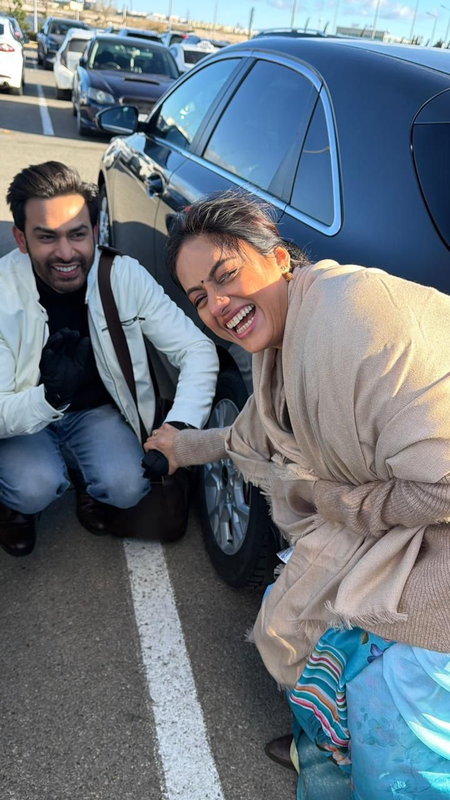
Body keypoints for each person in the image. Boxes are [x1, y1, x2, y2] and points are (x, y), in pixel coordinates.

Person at [145, 191, 450, 798]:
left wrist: (339, 502)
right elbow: (249, 434)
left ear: (279, 258)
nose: (217, 305)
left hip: (433, 581)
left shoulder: (354, 317)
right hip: (399, 536)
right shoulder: (287, 344)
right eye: (199, 297)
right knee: (298, 637)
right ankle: (325, 749)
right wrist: (180, 447)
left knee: (391, 745)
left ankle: (338, 752)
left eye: (225, 275)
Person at [0, 161, 219, 557]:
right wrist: (48, 397)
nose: (66, 252)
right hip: (23, 418)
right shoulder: (2, 291)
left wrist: (178, 428)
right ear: (21, 238)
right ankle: (17, 507)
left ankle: (87, 480)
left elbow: (196, 349)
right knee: (32, 486)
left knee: (127, 486)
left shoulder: (122, 276)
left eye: (77, 234)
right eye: (46, 237)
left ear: (95, 230)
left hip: (94, 412)